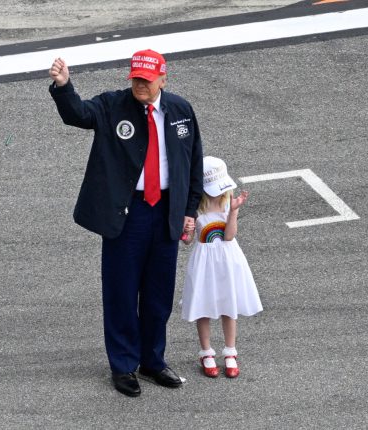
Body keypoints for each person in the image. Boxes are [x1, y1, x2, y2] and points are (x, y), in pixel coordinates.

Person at [48, 50, 203, 397]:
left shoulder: (181, 111)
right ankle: (123, 365)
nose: (139, 85)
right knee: (120, 292)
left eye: (146, 81)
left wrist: (189, 211)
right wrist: (63, 86)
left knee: (158, 295)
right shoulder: (112, 105)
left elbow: (194, 162)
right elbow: (78, 114)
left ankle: (152, 360)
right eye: (135, 78)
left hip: (165, 211)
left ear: (163, 79)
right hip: (128, 213)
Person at [180, 156, 262, 379]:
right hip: (204, 261)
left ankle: (230, 352)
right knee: (203, 306)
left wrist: (234, 211)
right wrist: (185, 230)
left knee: (229, 304)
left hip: (227, 259)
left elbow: (229, 236)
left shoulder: (227, 204)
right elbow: (188, 241)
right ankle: (206, 352)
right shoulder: (195, 208)